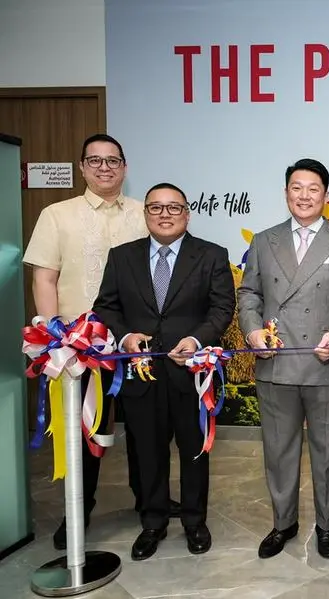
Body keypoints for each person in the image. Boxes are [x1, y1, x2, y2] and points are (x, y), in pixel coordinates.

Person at [21, 133, 172, 551]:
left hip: (137, 346)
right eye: (95, 161)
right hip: (80, 349)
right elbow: (44, 278)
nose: (105, 168)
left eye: (113, 161)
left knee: (147, 431)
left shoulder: (145, 213)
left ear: (124, 167)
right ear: (83, 168)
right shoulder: (57, 215)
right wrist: (54, 334)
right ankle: (78, 509)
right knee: (83, 433)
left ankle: (150, 502)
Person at [92, 182, 234, 560]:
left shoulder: (211, 255)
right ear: (145, 214)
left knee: (194, 451)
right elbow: (105, 307)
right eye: (156, 207)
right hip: (141, 374)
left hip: (190, 373)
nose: (165, 214)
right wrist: (125, 337)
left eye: (174, 207)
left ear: (187, 213)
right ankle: (152, 522)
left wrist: (197, 339)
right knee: (148, 452)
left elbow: (222, 308)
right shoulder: (122, 257)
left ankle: (194, 521)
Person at [238, 158, 329, 560]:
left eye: (313, 188)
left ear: (325, 195)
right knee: (278, 451)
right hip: (275, 362)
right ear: (286, 192)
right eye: (297, 187)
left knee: (327, 452)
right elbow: (250, 294)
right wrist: (253, 331)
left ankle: (327, 525)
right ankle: (283, 523)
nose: (305, 195)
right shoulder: (264, 241)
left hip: (324, 362)